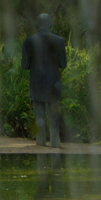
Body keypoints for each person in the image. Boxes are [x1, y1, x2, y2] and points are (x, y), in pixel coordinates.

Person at [21, 13, 67, 147]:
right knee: (54, 117)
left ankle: (40, 141)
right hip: (54, 83)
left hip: (37, 83)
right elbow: (63, 64)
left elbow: (24, 65)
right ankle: (55, 141)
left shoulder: (28, 41)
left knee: (39, 116)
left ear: (37, 25)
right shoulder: (59, 41)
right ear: (50, 24)